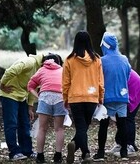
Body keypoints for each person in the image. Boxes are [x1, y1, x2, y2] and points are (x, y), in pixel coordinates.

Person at [62, 31, 104, 163]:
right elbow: (100, 81)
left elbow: (65, 82)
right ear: (89, 42)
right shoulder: (97, 59)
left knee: (81, 127)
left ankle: (79, 148)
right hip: (91, 97)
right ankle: (84, 152)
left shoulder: (69, 60)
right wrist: (100, 97)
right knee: (84, 127)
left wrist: (65, 98)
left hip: (75, 98)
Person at [0, 53, 47, 161]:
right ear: (45, 63)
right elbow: (10, 71)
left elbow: (32, 87)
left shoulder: (41, 71)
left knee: (25, 124)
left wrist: (30, 107)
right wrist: (2, 85)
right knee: (11, 123)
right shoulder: (29, 62)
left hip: (21, 96)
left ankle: (27, 150)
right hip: (9, 94)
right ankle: (14, 152)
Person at [93, 32, 131, 162]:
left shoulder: (101, 61)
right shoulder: (125, 59)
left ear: (104, 45)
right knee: (122, 125)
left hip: (106, 97)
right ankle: (124, 152)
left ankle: (101, 153)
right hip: (122, 96)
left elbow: (98, 79)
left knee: (103, 125)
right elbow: (128, 75)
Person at [27, 53, 66, 163]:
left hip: (45, 97)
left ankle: (40, 156)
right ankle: (58, 156)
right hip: (60, 97)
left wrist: (38, 95)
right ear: (58, 62)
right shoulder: (63, 70)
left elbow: (30, 85)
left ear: (45, 61)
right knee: (59, 129)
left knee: (42, 128)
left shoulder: (41, 70)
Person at [107, 69, 140, 157]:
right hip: (128, 87)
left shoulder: (105, 65)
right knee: (120, 117)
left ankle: (130, 146)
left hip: (135, 87)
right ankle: (120, 143)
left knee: (128, 117)